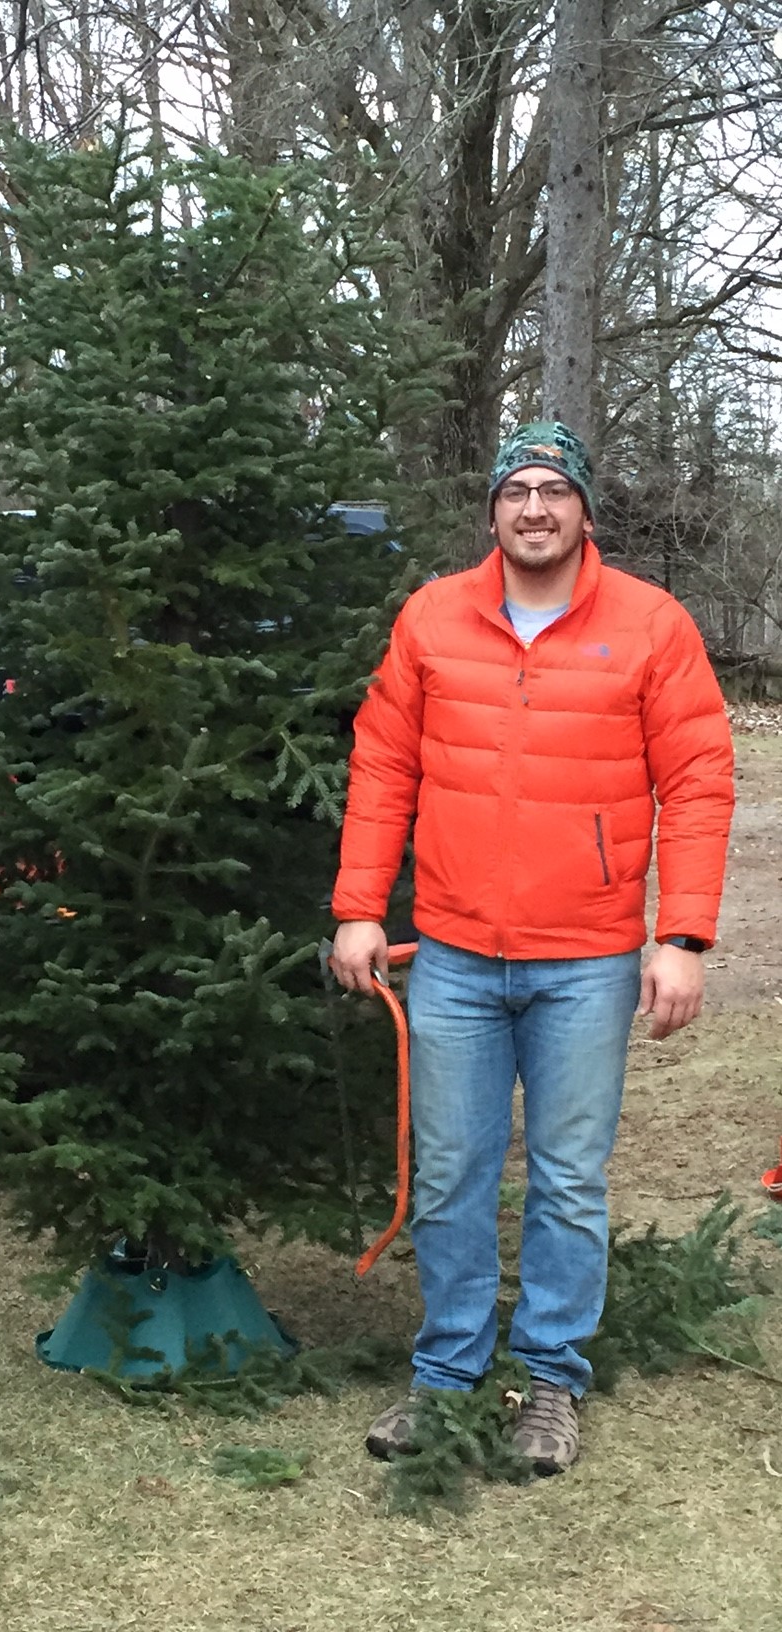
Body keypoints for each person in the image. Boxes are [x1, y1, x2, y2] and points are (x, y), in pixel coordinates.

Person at [330, 422, 734, 1474]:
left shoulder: (651, 625)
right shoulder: (433, 618)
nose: (536, 508)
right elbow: (382, 766)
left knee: (566, 1178)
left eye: (556, 490)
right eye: (518, 490)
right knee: (454, 1173)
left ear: (585, 511)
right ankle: (446, 1375)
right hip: (456, 954)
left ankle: (549, 1380)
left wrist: (681, 934)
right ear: (493, 512)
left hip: (589, 960)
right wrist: (360, 907)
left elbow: (697, 782)